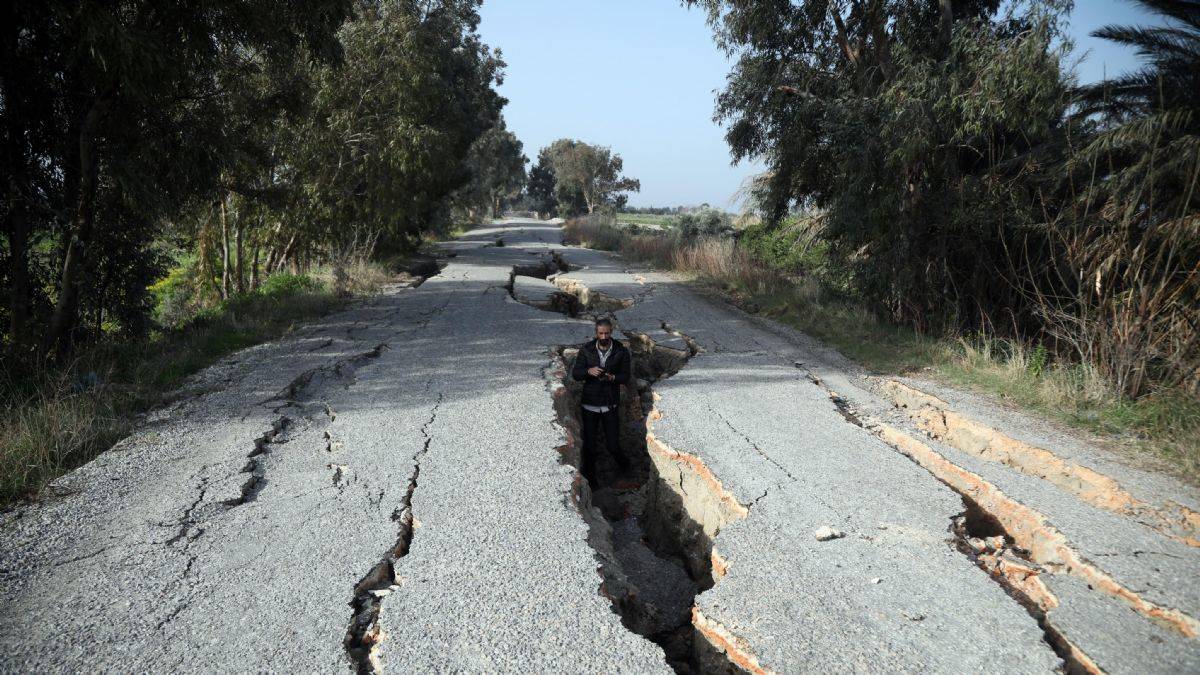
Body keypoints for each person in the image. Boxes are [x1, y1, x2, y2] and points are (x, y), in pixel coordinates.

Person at [571, 317, 633, 483]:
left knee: (613, 445)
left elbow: (626, 376)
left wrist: (613, 377)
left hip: (610, 404)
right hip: (589, 405)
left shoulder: (621, 351)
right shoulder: (586, 350)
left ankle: (627, 470)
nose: (604, 336)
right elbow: (576, 374)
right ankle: (591, 484)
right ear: (596, 333)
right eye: (601, 333)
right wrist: (588, 371)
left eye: (607, 333)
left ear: (611, 332)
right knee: (590, 448)